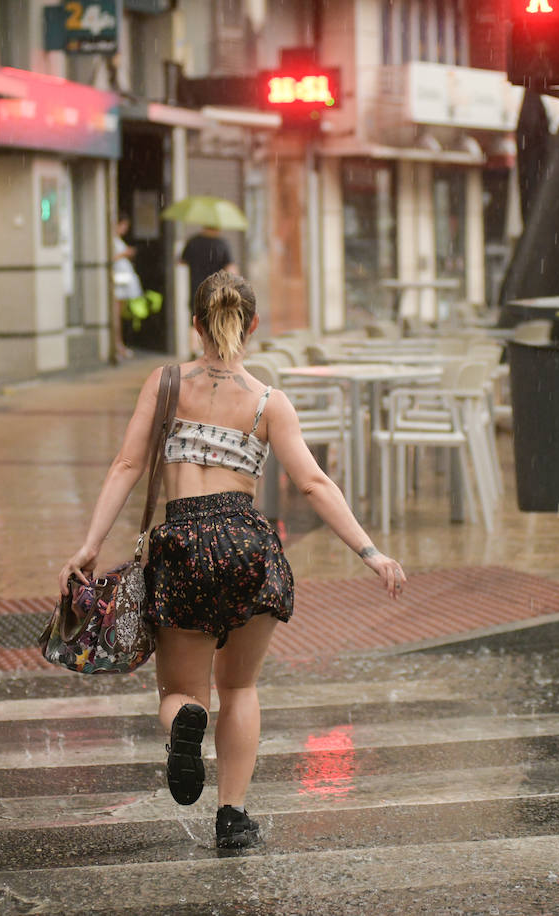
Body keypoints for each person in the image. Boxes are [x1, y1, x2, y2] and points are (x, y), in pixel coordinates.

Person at [59, 270, 406, 850]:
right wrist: (371, 551)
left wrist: (91, 545)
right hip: (248, 545)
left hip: (183, 545)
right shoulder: (270, 402)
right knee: (240, 688)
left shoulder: (165, 383)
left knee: (180, 692)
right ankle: (232, 817)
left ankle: (185, 728)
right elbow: (315, 483)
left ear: (194, 323)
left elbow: (125, 465)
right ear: (254, 326)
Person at [111, 214, 141, 363]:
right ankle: (117, 345)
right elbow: (111, 258)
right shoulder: (112, 241)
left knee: (120, 314)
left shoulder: (118, 240)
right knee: (116, 315)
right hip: (118, 282)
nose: (124, 229)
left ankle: (119, 344)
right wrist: (124, 253)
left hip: (123, 282)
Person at [180, 226, 237, 302]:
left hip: (196, 291)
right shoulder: (222, 244)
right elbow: (231, 268)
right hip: (216, 292)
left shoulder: (193, 241)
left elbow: (182, 261)